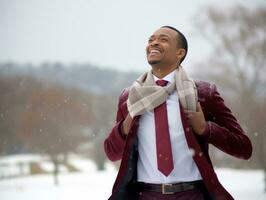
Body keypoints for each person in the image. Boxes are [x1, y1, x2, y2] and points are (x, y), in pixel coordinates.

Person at [104, 26, 252, 200]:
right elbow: (111, 152)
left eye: (163, 39)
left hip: (193, 195)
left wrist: (205, 129)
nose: (154, 43)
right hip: (145, 196)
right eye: (151, 39)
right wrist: (124, 127)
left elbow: (243, 148)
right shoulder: (130, 98)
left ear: (179, 53)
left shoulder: (203, 94)